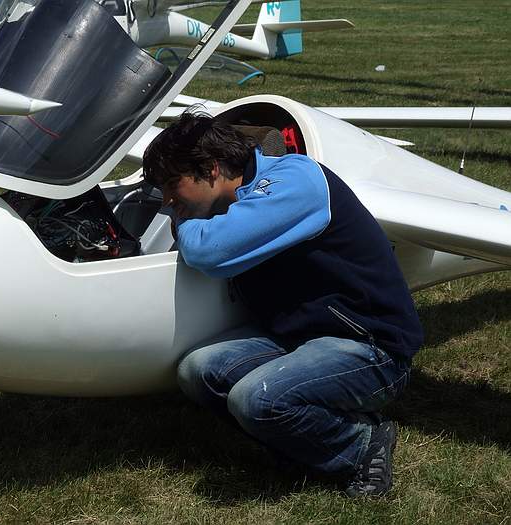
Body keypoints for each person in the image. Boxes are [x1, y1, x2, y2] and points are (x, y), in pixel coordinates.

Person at [142, 112, 424, 497]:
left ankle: (361, 443)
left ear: (211, 169)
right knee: (198, 372)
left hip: (371, 346)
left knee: (257, 399)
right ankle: (300, 442)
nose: (168, 201)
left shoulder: (295, 180)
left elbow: (210, 251)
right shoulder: (231, 197)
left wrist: (184, 222)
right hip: (296, 337)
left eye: (173, 185)